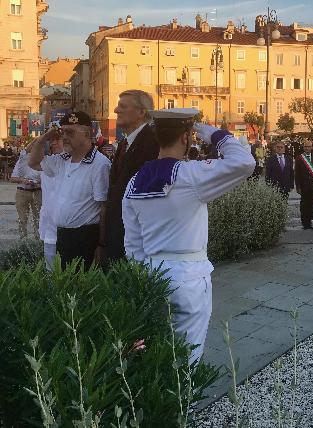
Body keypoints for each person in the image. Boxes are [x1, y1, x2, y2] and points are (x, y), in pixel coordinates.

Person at [122, 109, 255, 364]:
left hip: (151, 273)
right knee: (187, 359)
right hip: (188, 277)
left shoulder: (135, 181)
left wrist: (143, 274)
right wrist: (210, 131)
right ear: (186, 138)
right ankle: (184, 404)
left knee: (155, 354)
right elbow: (244, 162)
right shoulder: (190, 175)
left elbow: (133, 241)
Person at [29, 111, 111, 269]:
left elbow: (104, 207)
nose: (64, 137)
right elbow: (33, 163)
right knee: (63, 287)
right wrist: (45, 137)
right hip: (62, 235)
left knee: (80, 288)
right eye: (63, 131)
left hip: (85, 237)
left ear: (87, 134)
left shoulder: (99, 164)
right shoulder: (62, 160)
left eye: (70, 132)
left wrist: (101, 244)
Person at [104, 90, 159, 263]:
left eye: (122, 106)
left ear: (142, 112)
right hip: (119, 232)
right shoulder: (124, 143)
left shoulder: (152, 141)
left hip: (137, 236)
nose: (115, 110)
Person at [39, 124, 64, 268]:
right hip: (49, 225)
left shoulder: (73, 162)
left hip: (68, 227)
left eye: (58, 139)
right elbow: (28, 152)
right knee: (50, 271)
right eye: (52, 140)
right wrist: (45, 136)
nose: (53, 143)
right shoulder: (47, 162)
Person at [10, 141, 42, 239]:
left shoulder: (41, 161)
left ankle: (38, 239)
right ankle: (23, 240)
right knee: (23, 218)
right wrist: (23, 180)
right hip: (22, 192)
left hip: (37, 191)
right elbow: (12, 178)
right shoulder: (21, 161)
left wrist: (39, 182)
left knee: (38, 218)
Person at [295, 139, 313, 230]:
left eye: (309, 146)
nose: (307, 148)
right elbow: (297, 173)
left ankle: (309, 221)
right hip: (303, 185)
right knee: (303, 204)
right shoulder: (299, 158)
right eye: (305, 146)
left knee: (311, 204)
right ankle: (304, 222)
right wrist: (297, 186)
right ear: (303, 147)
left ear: (312, 147)